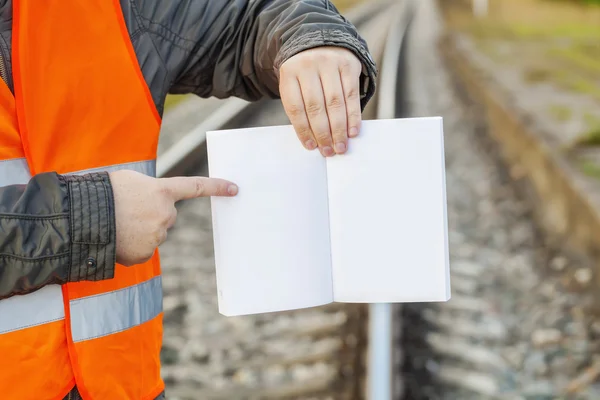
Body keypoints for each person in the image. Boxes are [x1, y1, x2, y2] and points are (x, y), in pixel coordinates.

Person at [0, 0, 377, 399]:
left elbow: (245, 17)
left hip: (122, 387)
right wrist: (90, 221)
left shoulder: (103, 9)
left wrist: (311, 40)